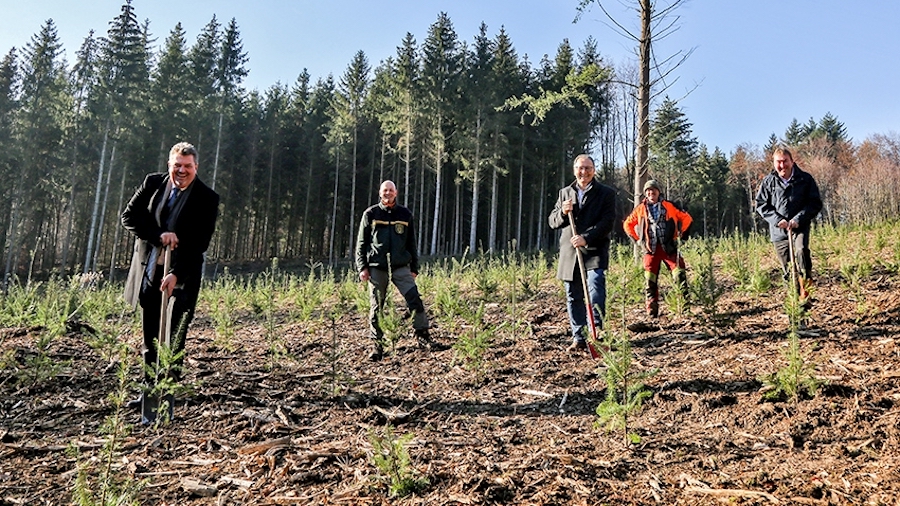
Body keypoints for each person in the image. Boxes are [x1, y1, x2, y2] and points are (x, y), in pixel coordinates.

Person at [122, 142, 220, 413]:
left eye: (188, 166)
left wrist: (177, 273)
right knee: (151, 335)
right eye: (177, 165)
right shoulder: (153, 184)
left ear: (196, 167)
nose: (182, 171)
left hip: (183, 276)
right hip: (151, 269)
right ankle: (148, 392)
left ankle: (169, 393)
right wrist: (158, 235)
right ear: (169, 165)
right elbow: (129, 216)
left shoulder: (207, 198)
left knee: (174, 336)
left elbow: (200, 243)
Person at [355, 180, 430, 361]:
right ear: (380, 193)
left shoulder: (405, 214)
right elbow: (361, 243)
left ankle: (423, 337)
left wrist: (414, 267)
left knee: (414, 299)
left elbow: (411, 242)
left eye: (391, 190)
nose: (388, 193)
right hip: (377, 267)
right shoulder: (371, 214)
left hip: (400, 266)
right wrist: (362, 267)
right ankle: (377, 346)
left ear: (396, 193)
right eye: (385, 191)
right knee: (377, 306)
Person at [548, 154, 616, 352]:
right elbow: (552, 221)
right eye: (580, 168)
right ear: (574, 170)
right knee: (573, 294)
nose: (584, 172)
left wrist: (586, 237)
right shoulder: (565, 193)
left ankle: (596, 331)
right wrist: (562, 211)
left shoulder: (606, 193)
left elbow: (607, 222)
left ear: (594, 170)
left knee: (595, 285)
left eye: (588, 168)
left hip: (594, 249)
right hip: (570, 252)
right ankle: (578, 336)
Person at [755, 146, 822, 303]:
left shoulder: (805, 180)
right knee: (788, 269)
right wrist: (778, 220)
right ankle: (793, 301)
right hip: (779, 231)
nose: (782, 165)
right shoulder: (768, 182)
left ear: (792, 161)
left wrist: (798, 219)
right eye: (778, 162)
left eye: (785, 161)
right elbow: (761, 205)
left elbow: (814, 203)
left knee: (801, 251)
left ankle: (806, 294)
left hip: (800, 227)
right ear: (773, 163)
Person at [623, 179, 693, 318]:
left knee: (679, 275)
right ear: (645, 193)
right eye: (648, 190)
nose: (651, 192)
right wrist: (638, 240)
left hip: (669, 249)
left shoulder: (670, 206)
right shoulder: (640, 209)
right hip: (650, 250)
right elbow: (627, 224)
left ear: (658, 192)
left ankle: (684, 308)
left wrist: (682, 235)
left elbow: (687, 219)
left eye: (653, 190)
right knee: (650, 281)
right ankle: (652, 311)